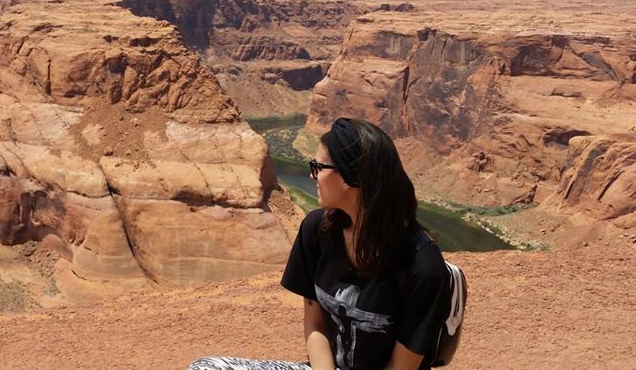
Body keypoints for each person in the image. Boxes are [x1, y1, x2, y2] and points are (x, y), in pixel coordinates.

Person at [189, 118, 451, 370]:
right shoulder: (318, 230)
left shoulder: (423, 265)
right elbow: (315, 325)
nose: (312, 175)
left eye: (318, 166)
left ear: (349, 176)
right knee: (205, 367)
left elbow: (401, 367)